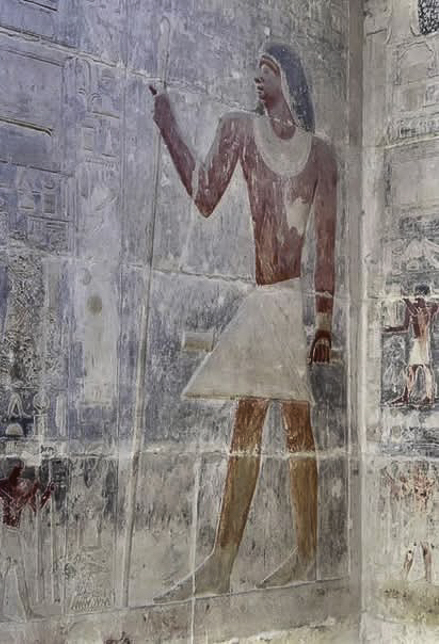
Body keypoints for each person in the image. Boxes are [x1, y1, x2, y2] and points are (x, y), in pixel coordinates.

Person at [149, 43, 337, 600]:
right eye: (256, 67)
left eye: (268, 68)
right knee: (259, 422)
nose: (257, 77)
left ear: (287, 78)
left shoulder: (321, 156)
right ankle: (231, 561)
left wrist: (324, 323)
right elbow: (205, 195)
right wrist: (169, 126)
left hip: (288, 301)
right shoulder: (240, 130)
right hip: (264, 302)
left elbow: (326, 248)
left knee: (290, 425)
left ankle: (291, 556)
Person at [386, 285, 438, 405]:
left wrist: (405, 299)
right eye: (416, 296)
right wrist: (391, 329)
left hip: (424, 341)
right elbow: (405, 327)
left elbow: (418, 313)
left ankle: (429, 396)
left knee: (425, 368)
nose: (416, 298)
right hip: (417, 342)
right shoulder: (413, 308)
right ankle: (406, 396)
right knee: (412, 369)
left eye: (419, 296)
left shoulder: (427, 308)